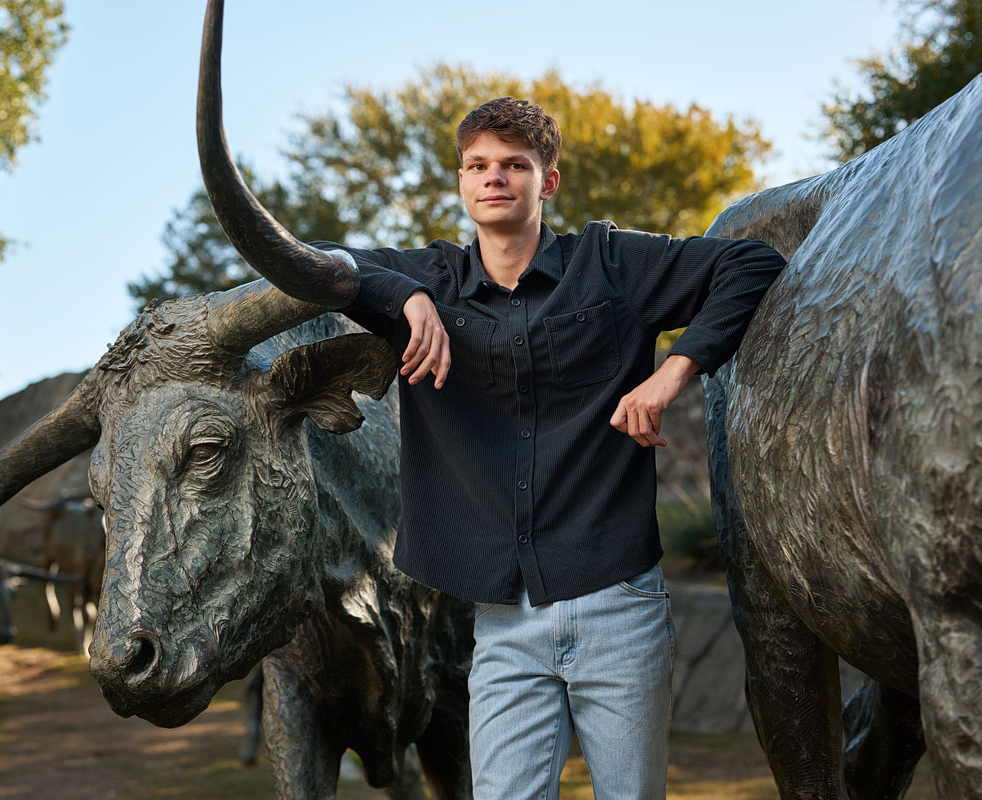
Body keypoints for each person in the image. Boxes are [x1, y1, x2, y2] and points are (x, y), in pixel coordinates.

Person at [318, 97, 785, 799]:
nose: (494, 178)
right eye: (477, 165)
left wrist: (670, 375)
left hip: (619, 600)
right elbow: (323, 262)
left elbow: (751, 264)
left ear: (549, 181)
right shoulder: (434, 278)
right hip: (501, 622)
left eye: (514, 164)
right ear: (461, 181)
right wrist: (408, 298)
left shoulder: (611, 262)